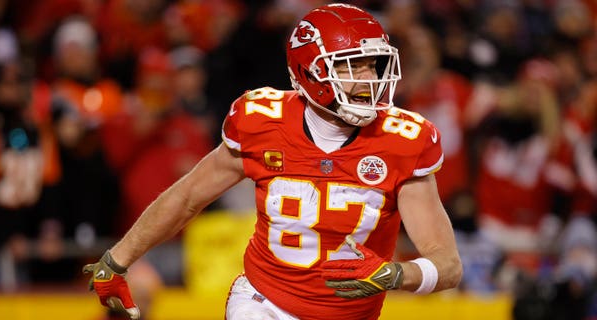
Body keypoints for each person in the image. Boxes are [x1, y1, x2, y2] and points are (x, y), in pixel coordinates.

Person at [83, 4, 462, 320]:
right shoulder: (262, 120)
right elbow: (187, 197)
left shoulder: (403, 141)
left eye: (373, 65)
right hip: (266, 304)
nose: (368, 80)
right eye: (351, 67)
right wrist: (117, 259)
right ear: (310, 71)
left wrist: (397, 274)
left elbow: (447, 264)